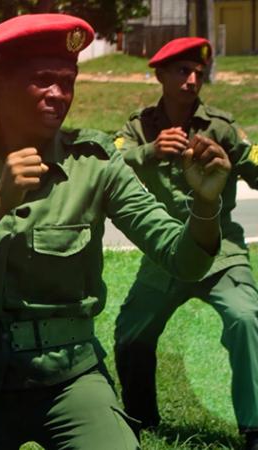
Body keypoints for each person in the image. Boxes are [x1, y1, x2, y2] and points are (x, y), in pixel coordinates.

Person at [0, 14, 231, 449]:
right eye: (42, 80)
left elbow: (182, 259)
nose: (59, 95)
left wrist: (206, 205)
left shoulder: (93, 163)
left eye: (68, 80)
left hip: (71, 379)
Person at [112, 37, 258, 449]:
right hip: (167, 253)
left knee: (247, 320)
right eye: (182, 71)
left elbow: (255, 164)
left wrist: (231, 163)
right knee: (130, 333)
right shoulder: (139, 127)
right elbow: (107, 160)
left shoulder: (221, 128)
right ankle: (141, 416)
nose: (193, 79)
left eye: (198, 72)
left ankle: (254, 428)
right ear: (159, 74)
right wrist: (149, 151)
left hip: (220, 253)